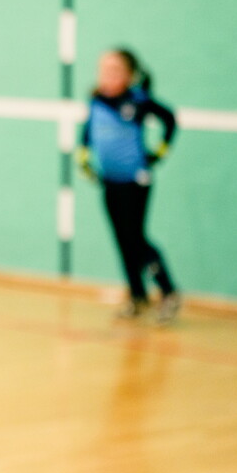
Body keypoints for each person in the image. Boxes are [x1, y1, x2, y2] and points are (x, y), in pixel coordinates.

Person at [78, 48, 181, 324]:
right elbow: (88, 130)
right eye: (104, 69)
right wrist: (84, 156)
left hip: (135, 180)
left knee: (136, 238)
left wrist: (160, 152)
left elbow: (169, 120)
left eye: (115, 70)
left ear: (128, 74)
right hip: (109, 180)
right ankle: (138, 296)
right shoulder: (96, 100)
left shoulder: (137, 101)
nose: (107, 75)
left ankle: (168, 292)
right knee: (122, 240)